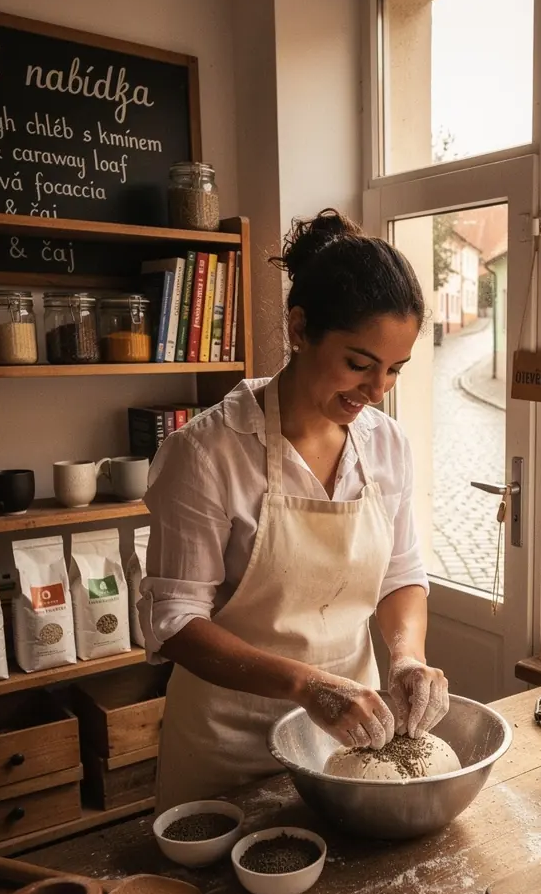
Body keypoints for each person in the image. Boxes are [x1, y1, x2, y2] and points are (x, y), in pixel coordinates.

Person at [140, 209, 449, 811]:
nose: (377, 389)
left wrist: (408, 654)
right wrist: (305, 685)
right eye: (359, 364)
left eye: (394, 369)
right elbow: (174, 622)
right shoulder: (206, 453)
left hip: (350, 743)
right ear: (300, 327)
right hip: (228, 749)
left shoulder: (386, 445)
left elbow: (401, 575)